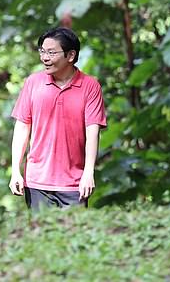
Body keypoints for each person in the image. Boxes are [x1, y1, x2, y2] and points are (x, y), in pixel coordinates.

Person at [9, 27, 106, 211]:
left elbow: (93, 132)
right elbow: (22, 128)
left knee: (73, 237)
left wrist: (88, 173)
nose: (45, 57)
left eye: (51, 52)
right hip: (37, 182)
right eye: (42, 51)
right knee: (41, 237)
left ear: (70, 56)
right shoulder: (33, 83)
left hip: (74, 184)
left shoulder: (90, 86)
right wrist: (16, 171)